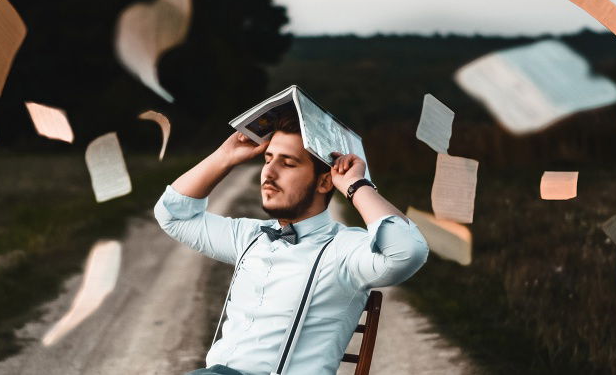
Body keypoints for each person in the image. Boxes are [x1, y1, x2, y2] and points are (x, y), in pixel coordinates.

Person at [155, 113, 429, 375]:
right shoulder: (250, 236)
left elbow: (407, 252)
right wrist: (224, 157)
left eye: (287, 163)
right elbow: (172, 215)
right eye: (267, 159)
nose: (268, 174)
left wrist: (356, 185)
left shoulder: (344, 250)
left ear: (324, 181)